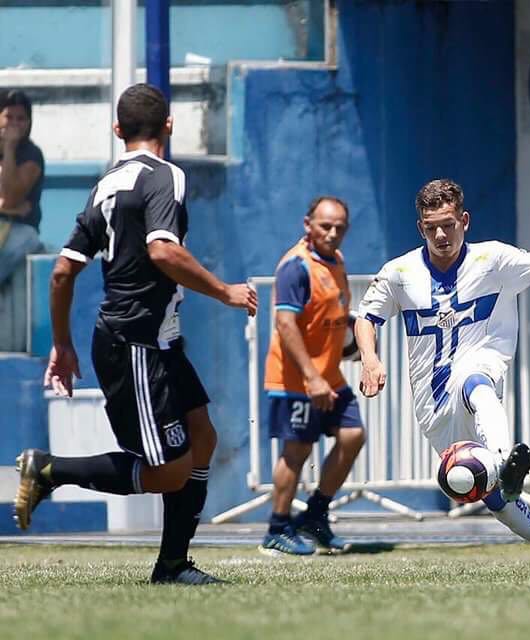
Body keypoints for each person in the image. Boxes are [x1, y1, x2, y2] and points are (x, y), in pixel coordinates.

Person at [12, 83, 258, 585]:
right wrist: (224, 292)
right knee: (168, 469)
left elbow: (62, 273)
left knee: (202, 438)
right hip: (136, 343)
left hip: (152, 340)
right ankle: (49, 469)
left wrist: (62, 344)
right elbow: (164, 251)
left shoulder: (106, 184)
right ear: (169, 126)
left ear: (117, 130)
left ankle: (172, 565)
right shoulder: (165, 175)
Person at [354, 178, 530, 572]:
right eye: (430, 227)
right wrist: (370, 359)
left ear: (465, 220)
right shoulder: (399, 272)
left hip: (478, 370)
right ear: (420, 227)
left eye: (449, 224)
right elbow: (366, 318)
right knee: (489, 496)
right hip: (432, 405)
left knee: (476, 381)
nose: (441, 234)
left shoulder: (493, 260)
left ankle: (504, 460)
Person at [259, 196, 365, 556]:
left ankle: (315, 515)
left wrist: (356, 340)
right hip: (296, 378)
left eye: (339, 227)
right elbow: (285, 324)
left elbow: (334, 314)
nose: (333, 233)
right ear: (308, 225)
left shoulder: (336, 261)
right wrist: (312, 377)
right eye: (325, 226)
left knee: (353, 435)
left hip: (329, 375)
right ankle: (276, 527)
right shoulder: (296, 267)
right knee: (298, 448)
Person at [0, 89, 45, 285]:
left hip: (21, 228)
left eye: (21, 119)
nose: (15, 124)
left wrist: (9, 148)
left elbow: (10, 197)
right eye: (9, 117)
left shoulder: (32, 154)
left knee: (18, 242)